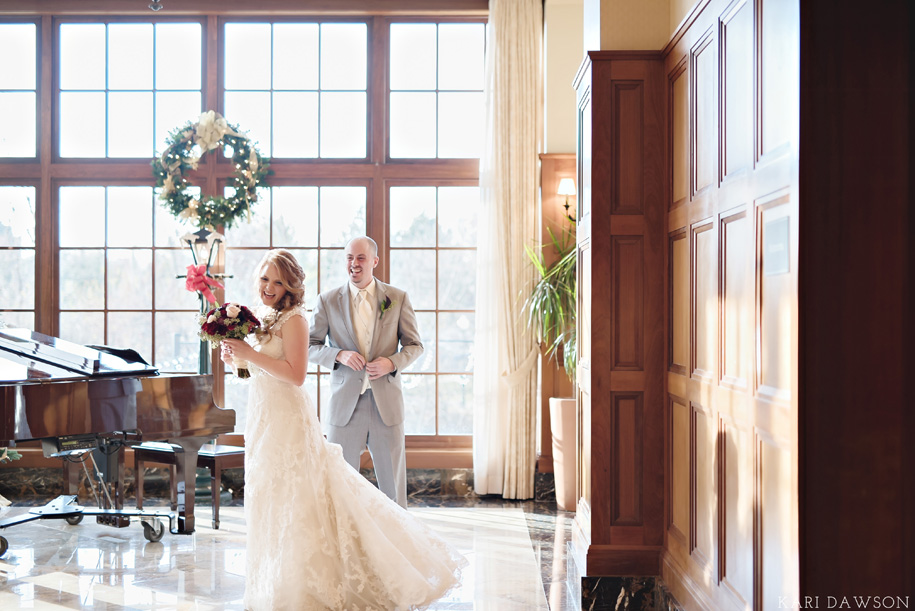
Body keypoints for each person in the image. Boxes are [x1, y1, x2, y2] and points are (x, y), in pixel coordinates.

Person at [220, 249, 464, 610]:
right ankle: (278, 583)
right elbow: (262, 370)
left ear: (290, 285)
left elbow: (295, 374)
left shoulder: (294, 319)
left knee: (303, 497)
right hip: (263, 417)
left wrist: (251, 355)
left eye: (277, 280)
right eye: (264, 278)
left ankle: (331, 580)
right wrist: (238, 360)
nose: (268, 286)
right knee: (274, 497)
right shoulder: (266, 317)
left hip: (288, 419)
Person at [308, 236, 422, 508]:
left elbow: (415, 346)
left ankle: (397, 542)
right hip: (345, 407)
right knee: (339, 485)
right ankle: (343, 543)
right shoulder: (327, 301)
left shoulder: (397, 298)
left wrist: (391, 363)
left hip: (386, 405)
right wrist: (339, 354)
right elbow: (309, 347)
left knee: (393, 488)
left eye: (360, 258)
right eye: (349, 257)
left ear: (375, 261)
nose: (354, 264)